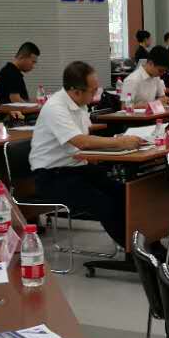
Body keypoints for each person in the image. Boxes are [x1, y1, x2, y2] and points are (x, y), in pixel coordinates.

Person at [31, 61, 145, 250]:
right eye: (93, 91)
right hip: (52, 176)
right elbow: (81, 142)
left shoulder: (80, 104)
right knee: (104, 203)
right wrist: (120, 143)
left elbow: (86, 142)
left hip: (77, 169)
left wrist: (117, 143)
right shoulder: (55, 108)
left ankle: (148, 247)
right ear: (76, 91)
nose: (96, 95)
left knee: (125, 194)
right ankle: (135, 253)